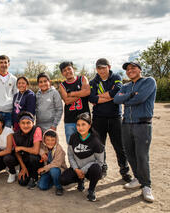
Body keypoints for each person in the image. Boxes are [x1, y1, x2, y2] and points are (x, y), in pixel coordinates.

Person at [114, 62, 156, 203]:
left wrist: (127, 98)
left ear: (140, 69)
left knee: (142, 156)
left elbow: (141, 98)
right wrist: (130, 95)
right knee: (130, 153)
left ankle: (146, 186)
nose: (130, 70)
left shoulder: (148, 81)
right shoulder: (125, 86)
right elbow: (116, 99)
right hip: (126, 124)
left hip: (142, 124)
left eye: (133, 68)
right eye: (127, 69)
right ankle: (138, 178)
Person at [89, 58, 132, 182]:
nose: (101, 70)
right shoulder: (93, 81)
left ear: (109, 66)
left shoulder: (116, 77)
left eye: (103, 67)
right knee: (99, 146)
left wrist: (100, 97)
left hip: (115, 117)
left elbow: (117, 91)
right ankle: (103, 167)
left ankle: (124, 171)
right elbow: (92, 99)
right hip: (98, 118)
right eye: (99, 68)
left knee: (119, 146)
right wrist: (109, 96)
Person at [60, 112, 104, 202]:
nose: (80, 127)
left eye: (83, 124)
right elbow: (70, 155)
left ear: (89, 125)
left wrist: (83, 170)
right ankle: (80, 180)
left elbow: (99, 162)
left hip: (89, 170)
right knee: (62, 180)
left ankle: (91, 190)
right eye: (78, 125)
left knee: (97, 169)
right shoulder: (73, 137)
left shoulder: (96, 140)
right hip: (77, 169)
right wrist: (76, 169)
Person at [58, 61, 90, 144]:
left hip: (84, 118)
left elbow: (87, 92)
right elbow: (67, 101)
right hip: (70, 120)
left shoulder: (82, 79)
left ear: (73, 69)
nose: (67, 71)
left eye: (69, 69)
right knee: (71, 145)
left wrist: (71, 94)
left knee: (87, 145)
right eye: (64, 70)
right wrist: (81, 93)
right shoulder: (62, 85)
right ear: (62, 73)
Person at [13, 111, 43, 189]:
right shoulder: (16, 134)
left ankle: (34, 177)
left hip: (37, 159)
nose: (26, 125)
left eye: (28, 123)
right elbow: (17, 152)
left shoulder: (37, 130)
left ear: (33, 123)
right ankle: (26, 171)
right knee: (22, 182)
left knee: (33, 157)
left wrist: (21, 148)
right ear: (19, 124)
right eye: (23, 123)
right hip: (25, 160)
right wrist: (23, 167)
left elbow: (36, 151)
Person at [37, 129, 67, 196]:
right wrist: (42, 153)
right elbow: (38, 148)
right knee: (42, 186)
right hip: (48, 171)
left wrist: (44, 168)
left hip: (58, 170)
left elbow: (57, 164)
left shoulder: (59, 149)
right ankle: (53, 181)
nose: (50, 142)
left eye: (53, 140)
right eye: (47, 140)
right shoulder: (43, 146)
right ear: (44, 140)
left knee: (54, 170)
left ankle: (59, 187)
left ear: (56, 140)